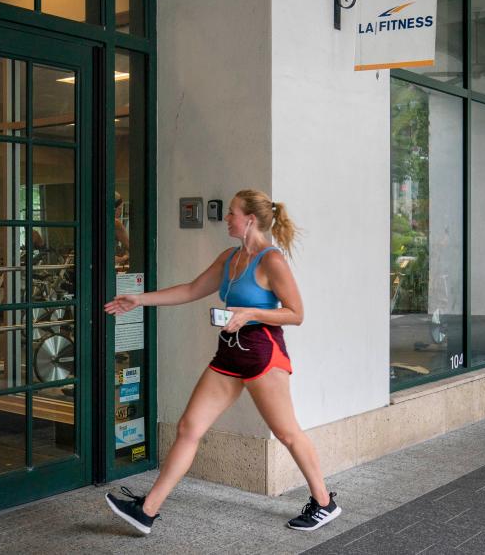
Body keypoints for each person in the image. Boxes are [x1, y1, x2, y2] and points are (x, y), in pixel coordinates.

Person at [103, 189, 341, 534]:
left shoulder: (271, 261)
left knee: (287, 432)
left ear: (250, 220)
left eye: (231, 213)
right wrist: (139, 299)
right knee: (189, 428)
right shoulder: (230, 257)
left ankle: (324, 502)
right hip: (228, 353)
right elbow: (190, 289)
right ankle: (147, 511)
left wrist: (251, 313)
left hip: (262, 354)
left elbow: (296, 314)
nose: (226, 218)